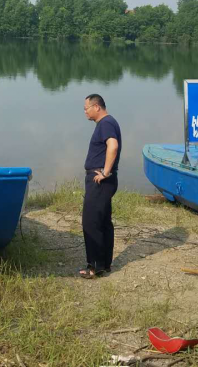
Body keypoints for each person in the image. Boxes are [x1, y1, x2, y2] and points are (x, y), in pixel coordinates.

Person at [79, 93, 121, 279]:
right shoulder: (108, 123)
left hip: (100, 180)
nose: (85, 112)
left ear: (96, 107)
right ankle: (104, 264)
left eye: (86, 108)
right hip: (103, 180)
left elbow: (113, 146)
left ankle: (94, 267)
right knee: (103, 222)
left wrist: (105, 172)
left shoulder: (106, 123)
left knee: (91, 223)